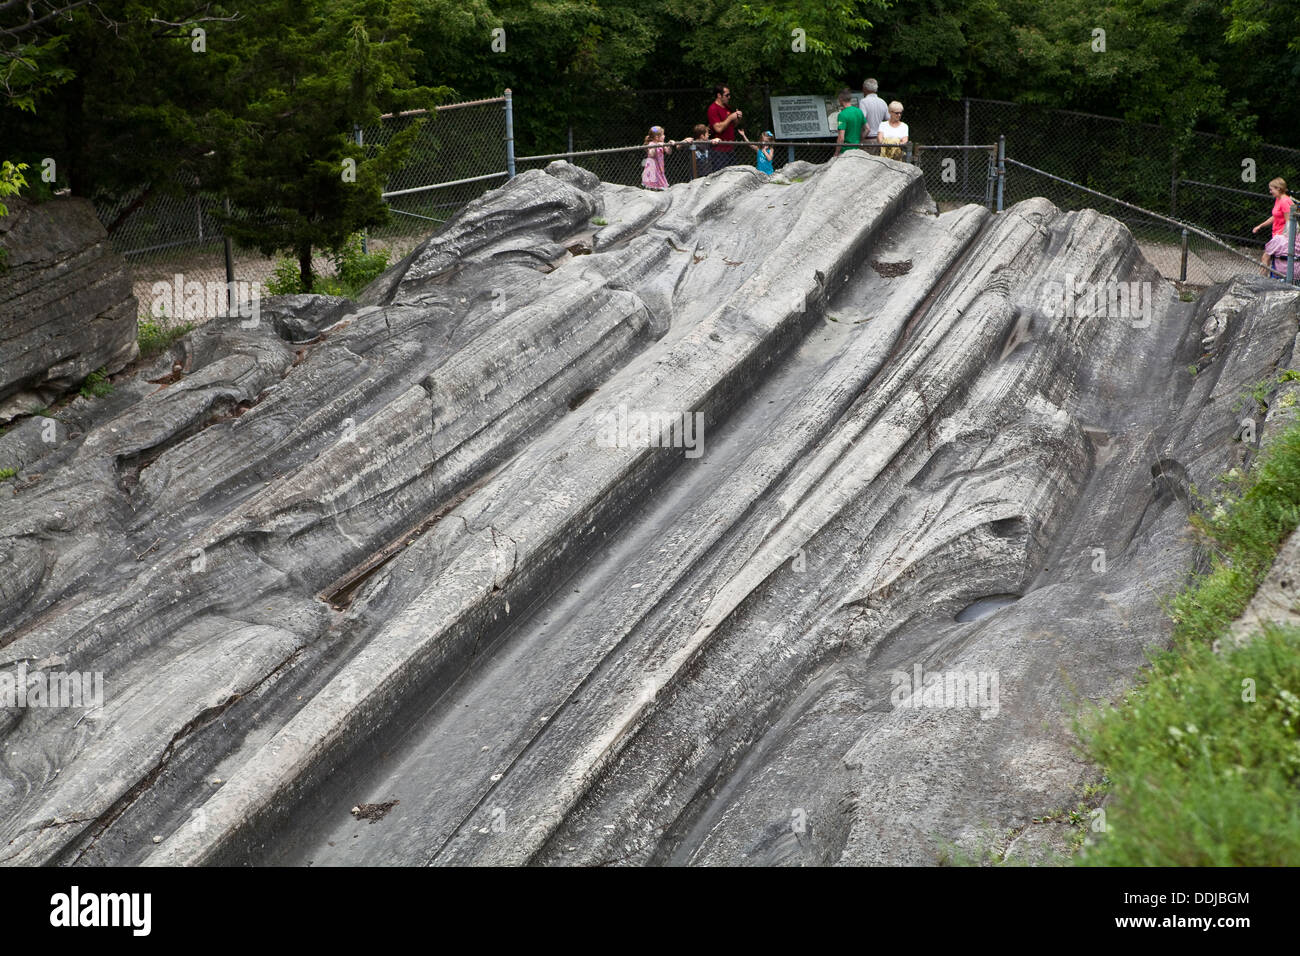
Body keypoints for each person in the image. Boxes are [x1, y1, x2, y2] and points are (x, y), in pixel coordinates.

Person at [1253, 178, 1295, 277]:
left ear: (1279, 188)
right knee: (1270, 258)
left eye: (1272, 189)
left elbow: (1289, 222)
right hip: (1276, 235)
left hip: (1281, 237)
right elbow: (1275, 216)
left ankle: (1261, 279)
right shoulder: (1278, 199)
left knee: (1265, 257)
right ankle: (1266, 279)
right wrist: (1260, 225)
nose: (1270, 191)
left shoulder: (1285, 201)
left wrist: (1281, 238)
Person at [706, 84, 743, 172]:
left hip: (730, 148)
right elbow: (718, 129)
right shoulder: (713, 109)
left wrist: (738, 117)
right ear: (719, 95)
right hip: (719, 150)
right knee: (720, 175)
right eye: (727, 95)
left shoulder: (727, 107)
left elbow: (732, 125)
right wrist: (730, 117)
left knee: (733, 174)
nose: (729, 97)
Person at [834, 89, 865, 156]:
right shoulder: (859, 111)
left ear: (840, 99)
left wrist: (836, 153)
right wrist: (860, 142)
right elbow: (868, 129)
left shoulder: (842, 114)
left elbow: (841, 138)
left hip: (845, 151)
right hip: (857, 149)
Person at [641, 126, 673, 191]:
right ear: (656, 137)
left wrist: (669, 145)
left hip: (660, 168)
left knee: (660, 186)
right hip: (653, 169)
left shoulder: (662, 144)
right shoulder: (651, 144)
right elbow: (651, 154)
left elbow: (669, 152)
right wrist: (656, 146)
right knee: (653, 187)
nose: (664, 136)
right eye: (663, 135)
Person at [860, 78, 890, 143]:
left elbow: (862, 118)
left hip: (868, 138)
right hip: (880, 138)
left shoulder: (863, 102)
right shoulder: (883, 102)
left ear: (865, 89)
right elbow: (889, 119)